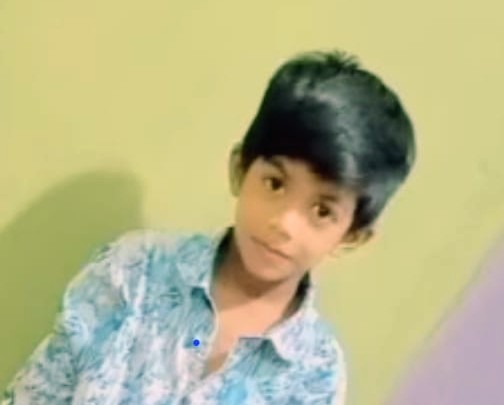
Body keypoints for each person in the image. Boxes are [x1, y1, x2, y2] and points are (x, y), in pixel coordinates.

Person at [2, 49, 416, 404]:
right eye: (275, 183)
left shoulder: (316, 374)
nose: (284, 223)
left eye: (322, 211)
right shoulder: (134, 272)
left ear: (352, 236)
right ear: (239, 170)